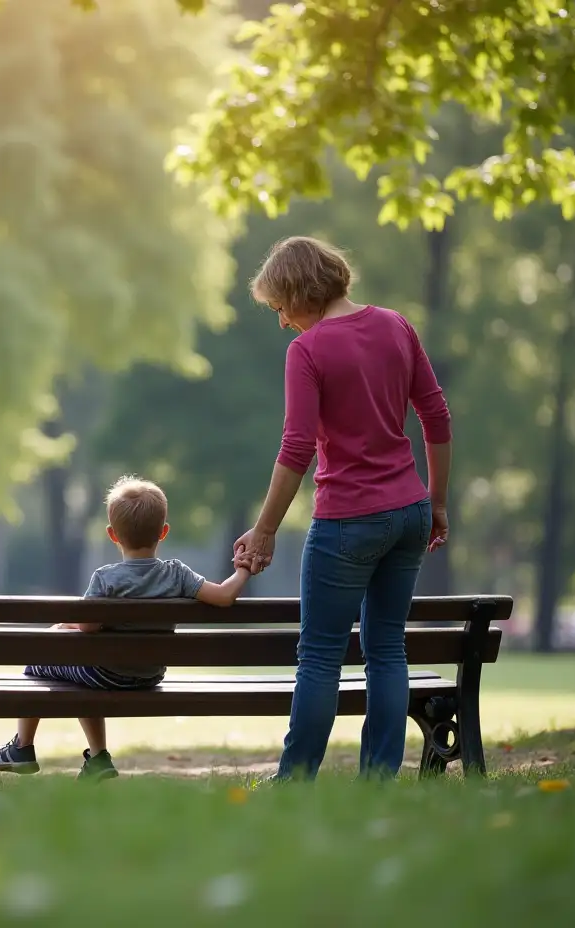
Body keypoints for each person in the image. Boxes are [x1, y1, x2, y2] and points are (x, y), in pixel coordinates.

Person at [232, 236, 451, 782]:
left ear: (301, 292)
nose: (282, 323)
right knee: (386, 650)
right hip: (408, 511)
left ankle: (294, 780)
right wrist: (437, 501)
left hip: (347, 521)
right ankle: (377, 780)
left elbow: (297, 449)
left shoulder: (308, 351)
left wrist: (263, 531)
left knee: (321, 656)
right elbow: (436, 415)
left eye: (280, 308)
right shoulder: (397, 326)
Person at [0, 476, 253, 782]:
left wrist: (63, 625)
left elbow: (87, 625)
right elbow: (223, 595)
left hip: (105, 674)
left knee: (43, 655)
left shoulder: (106, 578)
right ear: (163, 532)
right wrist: (243, 569)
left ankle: (23, 747)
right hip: (149, 674)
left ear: (112, 535)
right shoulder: (177, 574)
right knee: (78, 661)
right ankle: (97, 760)